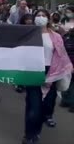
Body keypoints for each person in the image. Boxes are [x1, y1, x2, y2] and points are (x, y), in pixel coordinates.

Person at [22, 9, 73, 144]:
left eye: (44, 16)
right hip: (32, 72)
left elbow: (61, 55)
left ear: (48, 19)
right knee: (33, 106)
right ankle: (29, 135)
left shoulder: (56, 36)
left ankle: (36, 131)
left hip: (51, 72)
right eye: (38, 15)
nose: (41, 17)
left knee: (45, 107)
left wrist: (67, 68)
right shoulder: (28, 34)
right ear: (34, 19)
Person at [60, 27, 74, 113]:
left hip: (66, 63)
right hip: (68, 63)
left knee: (67, 83)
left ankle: (65, 101)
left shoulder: (65, 37)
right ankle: (71, 103)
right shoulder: (66, 38)